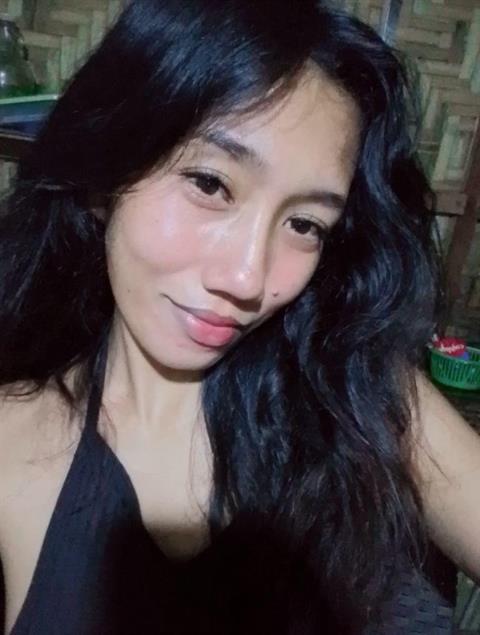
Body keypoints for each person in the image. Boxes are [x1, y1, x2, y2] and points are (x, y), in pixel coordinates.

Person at [0, 0, 479, 633]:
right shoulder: (13, 440)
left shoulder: (363, 393)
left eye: (305, 224)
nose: (249, 279)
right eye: (210, 184)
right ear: (104, 177)